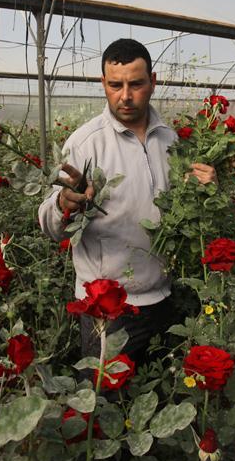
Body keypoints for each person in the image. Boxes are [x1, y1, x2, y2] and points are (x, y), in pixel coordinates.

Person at [38, 38, 216, 369]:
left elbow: (185, 212)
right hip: (106, 307)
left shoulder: (170, 141)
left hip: (163, 296)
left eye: (136, 84)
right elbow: (48, 225)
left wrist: (205, 190)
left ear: (153, 82)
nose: (125, 96)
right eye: (115, 85)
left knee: (156, 397)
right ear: (102, 84)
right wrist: (64, 203)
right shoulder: (85, 144)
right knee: (104, 403)